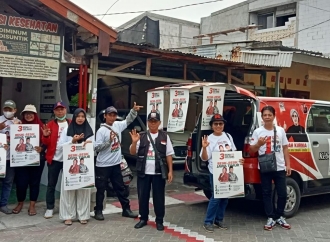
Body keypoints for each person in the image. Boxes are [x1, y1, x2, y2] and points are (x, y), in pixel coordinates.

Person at [93, 102, 142, 221]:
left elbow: (128, 120)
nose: (112, 117)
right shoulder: (101, 131)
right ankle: (98, 211)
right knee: (101, 189)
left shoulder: (118, 125)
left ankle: (126, 209)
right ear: (105, 116)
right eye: (110, 114)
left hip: (115, 164)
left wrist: (133, 111)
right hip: (103, 165)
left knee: (120, 187)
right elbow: (97, 148)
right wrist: (109, 141)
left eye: (114, 115)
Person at [129, 112, 174, 231]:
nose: (153, 124)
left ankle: (159, 220)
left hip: (158, 173)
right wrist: (134, 142)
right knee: (142, 197)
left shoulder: (165, 136)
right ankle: (143, 218)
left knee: (159, 198)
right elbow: (133, 152)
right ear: (148, 122)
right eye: (151, 121)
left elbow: (169, 155)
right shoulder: (141, 136)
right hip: (143, 172)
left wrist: (170, 171)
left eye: (155, 121)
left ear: (159, 123)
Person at [249, 106, 291, 231]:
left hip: (279, 166)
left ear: (274, 116)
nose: (267, 117)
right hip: (265, 166)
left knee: (282, 193)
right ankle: (270, 217)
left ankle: (279, 216)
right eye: (265, 115)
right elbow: (251, 150)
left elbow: (285, 148)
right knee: (266, 193)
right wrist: (259, 144)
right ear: (262, 117)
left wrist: (288, 164)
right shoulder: (257, 132)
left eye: (269, 115)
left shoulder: (280, 131)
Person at [200, 114, 244, 233]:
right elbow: (204, 158)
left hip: (228, 172)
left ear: (224, 125)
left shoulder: (228, 136)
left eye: (221, 124)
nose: (218, 126)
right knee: (216, 197)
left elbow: (233, 153)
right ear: (212, 126)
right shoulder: (209, 139)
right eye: (216, 124)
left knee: (225, 198)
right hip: (215, 172)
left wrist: (239, 160)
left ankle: (219, 219)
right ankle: (208, 222)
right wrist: (204, 148)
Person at [58, 108, 94, 225]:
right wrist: (72, 141)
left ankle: (83, 215)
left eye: (82, 116)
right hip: (70, 164)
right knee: (68, 190)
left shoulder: (89, 131)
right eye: (78, 116)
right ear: (74, 117)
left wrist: (89, 145)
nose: (80, 118)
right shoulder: (67, 130)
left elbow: (93, 147)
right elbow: (60, 147)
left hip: (84, 164)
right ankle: (68, 216)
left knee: (84, 189)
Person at [12, 105, 45, 216]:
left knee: (34, 183)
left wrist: (42, 148)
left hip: (36, 159)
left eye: (31, 113)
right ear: (23, 115)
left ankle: (32, 205)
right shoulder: (18, 126)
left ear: (35, 115)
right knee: (21, 183)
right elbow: (12, 141)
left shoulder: (41, 126)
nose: (29, 115)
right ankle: (20, 203)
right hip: (21, 160)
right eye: (26, 113)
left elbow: (47, 141)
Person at [41, 101, 71, 219]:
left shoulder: (71, 123)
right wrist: (46, 136)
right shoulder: (49, 125)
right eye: (57, 109)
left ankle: (67, 207)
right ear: (54, 111)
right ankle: (50, 208)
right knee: (51, 185)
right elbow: (46, 143)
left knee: (68, 185)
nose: (60, 111)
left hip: (68, 160)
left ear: (65, 110)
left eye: (62, 109)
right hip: (54, 159)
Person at [0, 100, 19, 214]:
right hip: (0, 158)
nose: (7, 111)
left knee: (8, 183)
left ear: (15, 110)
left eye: (10, 110)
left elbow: (22, 137)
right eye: (6, 109)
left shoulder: (18, 122)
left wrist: (18, 128)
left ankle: (3, 204)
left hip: (11, 159)